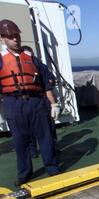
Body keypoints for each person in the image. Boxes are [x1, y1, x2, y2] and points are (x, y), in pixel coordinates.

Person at [0, 19, 60, 186]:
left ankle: (53, 169)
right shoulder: (1, 59)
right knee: (20, 141)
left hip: (35, 102)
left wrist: (53, 104)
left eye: (17, 36)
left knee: (45, 137)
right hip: (13, 104)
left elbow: (46, 81)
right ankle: (25, 174)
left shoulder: (32, 59)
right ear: (3, 38)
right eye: (11, 37)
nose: (15, 39)